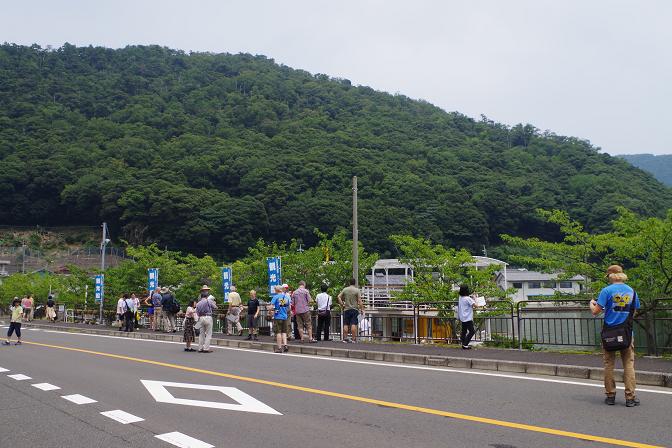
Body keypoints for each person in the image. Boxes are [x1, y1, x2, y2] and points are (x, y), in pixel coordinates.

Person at [590, 265, 640, 407]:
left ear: (610, 276)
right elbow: (633, 312)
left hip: (609, 333)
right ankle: (630, 398)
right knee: (629, 365)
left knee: (609, 365)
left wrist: (591, 304)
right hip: (627, 333)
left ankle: (610, 396)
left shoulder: (606, 291)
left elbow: (596, 311)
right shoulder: (632, 291)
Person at [338, 278, 363, 343]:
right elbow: (360, 301)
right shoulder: (357, 290)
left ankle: (345, 338)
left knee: (346, 324)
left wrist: (342, 304)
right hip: (354, 309)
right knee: (353, 324)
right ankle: (353, 339)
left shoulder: (345, 289)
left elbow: (338, 296)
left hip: (346, 309)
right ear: (354, 283)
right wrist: (362, 309)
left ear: (349, 283)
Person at [457, 285, 482, 349]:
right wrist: (475, 298)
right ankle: (465, 344)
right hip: (468, 317)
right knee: (472, 331)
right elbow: (476, 305)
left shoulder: (460, 297)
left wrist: (471, 296)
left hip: (462, 316)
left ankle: (463, 343)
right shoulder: (468, 299)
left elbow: (466, 297)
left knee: (464, 331)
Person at [196, 285, 217, 353]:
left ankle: (200, 348)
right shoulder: (209, 301)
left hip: (201, 318)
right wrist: (214, 303)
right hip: (208, 317)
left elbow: (197, 313)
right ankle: (206, 348)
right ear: (206, 296)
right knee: (208, 334)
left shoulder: (198, 303)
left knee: (201, 334)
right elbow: (215, 307)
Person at [269, 285, 290, 353]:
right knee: (284, 332)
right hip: (285, 316)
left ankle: (279, 348)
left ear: (276, 290)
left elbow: (271, 307)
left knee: (278, 332)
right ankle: (285, 345)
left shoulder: (276, 297)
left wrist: (269, 309)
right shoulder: (286, 297)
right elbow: (288, 307)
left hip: (278, 317)